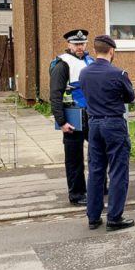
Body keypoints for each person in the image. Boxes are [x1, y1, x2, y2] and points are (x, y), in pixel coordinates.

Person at [79, 35, 135, 231]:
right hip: (113, 123)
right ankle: (114, 217)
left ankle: (93, 217)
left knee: (95, 171)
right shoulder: (118, 73)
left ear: (96, 50)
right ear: (111, 51)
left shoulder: (84, 73)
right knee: (118, 170)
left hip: (94, 123)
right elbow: (130, 97)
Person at [49, 28, 95, 206]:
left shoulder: (90, 61)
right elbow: (55, 94)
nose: (80, 47)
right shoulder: (62, 64)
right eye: (76, 44)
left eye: (82, 43)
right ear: (69, 44)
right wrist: (61, 121)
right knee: (74, 159)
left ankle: (99, 186)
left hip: (91, 114)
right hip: (73, 116)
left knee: (98, 154)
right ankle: (77, 194)